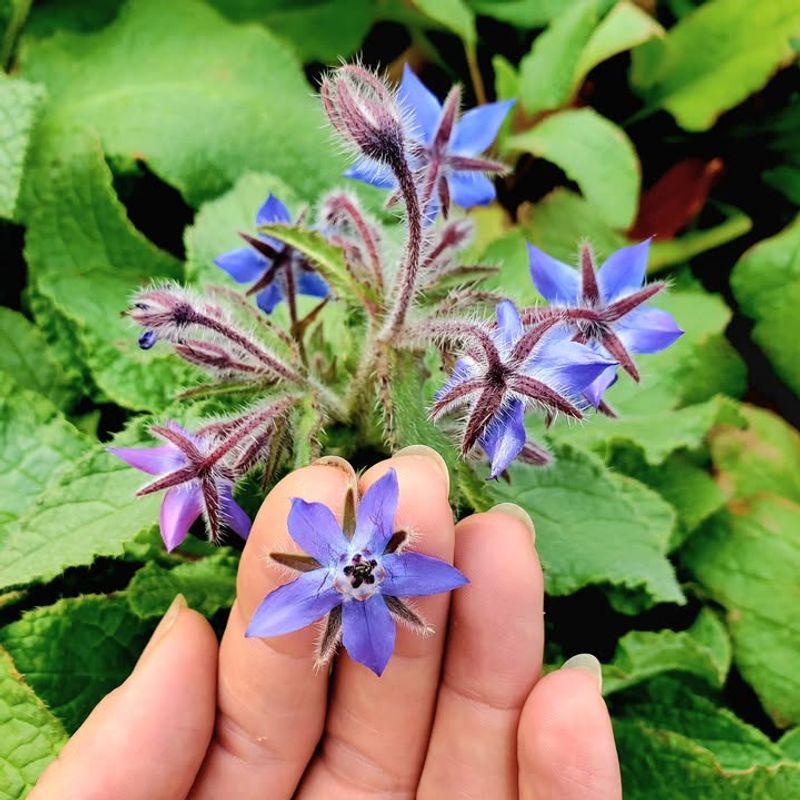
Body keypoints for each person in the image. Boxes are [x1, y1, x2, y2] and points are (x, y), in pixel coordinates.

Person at [30, 446, 622, 799]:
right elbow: (298, 540)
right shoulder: (311, 572)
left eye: (365, 571)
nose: (363, 574)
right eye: (360, 571)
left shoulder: (385, 585)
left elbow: (436, 566)